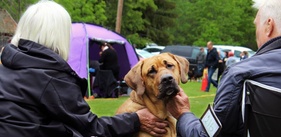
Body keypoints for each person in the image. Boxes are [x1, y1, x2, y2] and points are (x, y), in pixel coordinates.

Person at [0, 1, 168, 136]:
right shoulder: (50, 77)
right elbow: (91, 127)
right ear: (60, 35)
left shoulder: (6, 68)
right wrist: (136, 120)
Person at [168, 0, 281, 136]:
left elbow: (206, 135)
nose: (256, 33)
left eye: (256, 25)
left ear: (269, 26)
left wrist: (183, 114)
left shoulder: (240, 74)